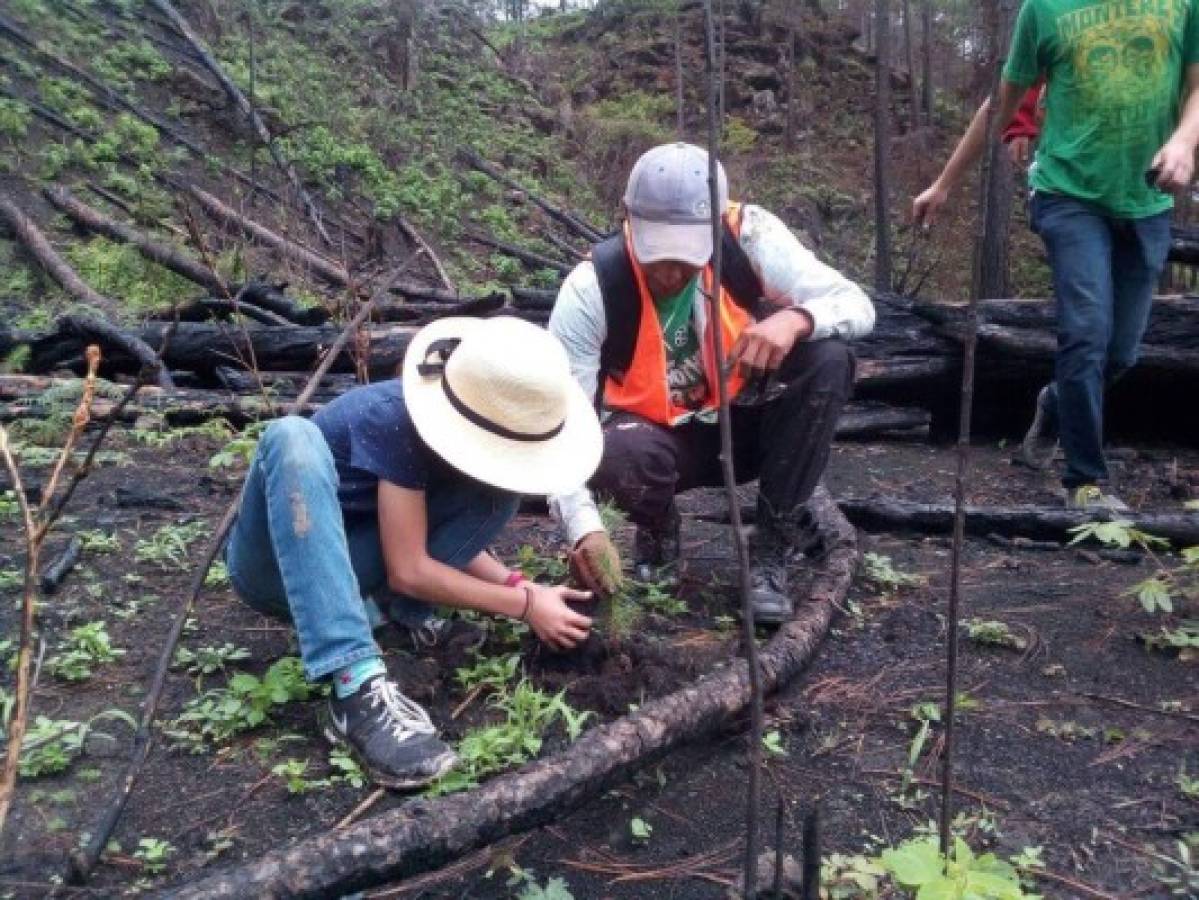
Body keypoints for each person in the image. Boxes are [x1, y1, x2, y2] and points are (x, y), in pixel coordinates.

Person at [223, 316, 602, 789]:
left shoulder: (453, 443)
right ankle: (354, 689)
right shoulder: (395, 419)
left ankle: (396, 616)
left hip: (351, 558)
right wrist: (525, 607)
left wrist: (516, 584)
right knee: (290, 435)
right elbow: (409, 567)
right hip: (276, 565)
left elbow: (415, 533)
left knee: (495, 493)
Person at [550, 142, 875, 626]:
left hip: (746, 424)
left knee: (828, 357)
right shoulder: (592, 288)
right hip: (655, 441)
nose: (671, 272)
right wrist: (583, 528)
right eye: (657, 253)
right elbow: (561, 424)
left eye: (687, 257)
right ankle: (658, 525)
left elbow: (856, 306)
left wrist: (796, 320)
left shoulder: (749, 237)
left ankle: (770, 548)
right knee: (615, 457)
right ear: (627, 218)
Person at [913, 2, 1199, 510]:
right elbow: (1000, 105)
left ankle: (1057, 401)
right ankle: (1085, 481)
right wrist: (943, 184)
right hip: (1067, 195)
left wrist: (1183, 140)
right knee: (1086, 333)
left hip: (1146, 199)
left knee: (1121, 352)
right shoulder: (1043, 8)